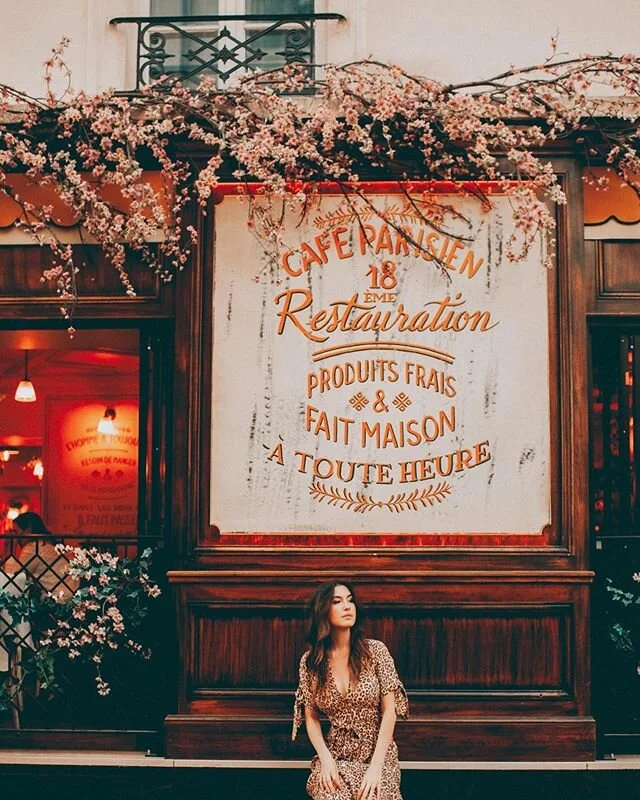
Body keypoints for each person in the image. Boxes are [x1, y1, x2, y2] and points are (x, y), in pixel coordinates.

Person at [293, 580, 408, 800]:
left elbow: (390, 712)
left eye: (350, 600)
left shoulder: (376, 651)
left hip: (377, 755)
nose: (347, 606)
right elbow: (311, 716)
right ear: (323, 611)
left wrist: (376, 768)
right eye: (338, 601)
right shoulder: (311, 662)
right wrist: (325, 759)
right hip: (336, 754)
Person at [3, 512, 76, 601]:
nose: (15, 536)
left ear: (27, 531)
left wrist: (11, 548)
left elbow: (12, 578)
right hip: (71, 594)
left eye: (15, 532)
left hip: (57, 599)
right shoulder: (47, 544)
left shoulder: (33, 549)